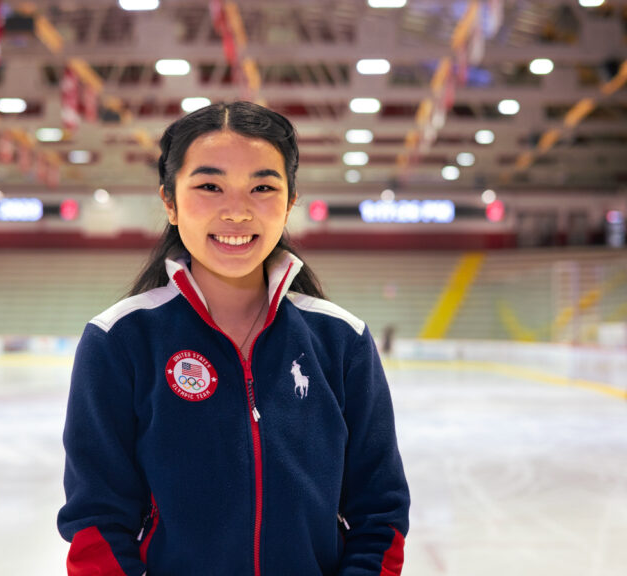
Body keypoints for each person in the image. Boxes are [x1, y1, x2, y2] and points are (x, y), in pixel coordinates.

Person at [58, 101, 411, 575]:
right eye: (209, 186)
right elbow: (96, 522)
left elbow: (380, 513)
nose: (238, 212)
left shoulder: (341, 340)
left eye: (262, 187)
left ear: (289, 203)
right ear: (169, 201)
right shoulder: (119, 339)